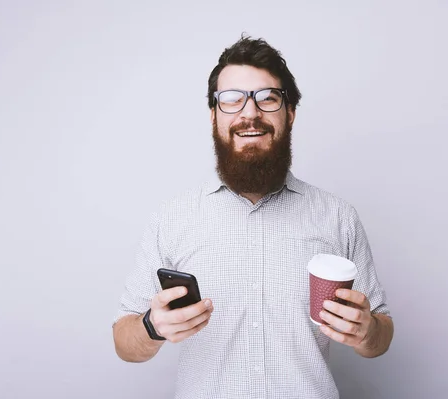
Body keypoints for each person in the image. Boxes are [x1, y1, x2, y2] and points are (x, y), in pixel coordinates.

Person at [112, 35, 394, 399]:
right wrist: (152, 327)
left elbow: (381, 335)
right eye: (231, 99)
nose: (249, 113)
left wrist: (367, 331)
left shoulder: (337, 217)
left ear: (289, 113)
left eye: (267, 98)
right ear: (213, 115)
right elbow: (123, 340)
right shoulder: (172, 219)